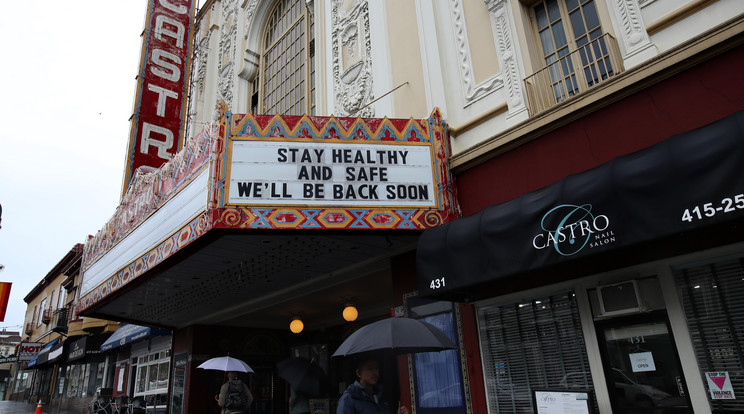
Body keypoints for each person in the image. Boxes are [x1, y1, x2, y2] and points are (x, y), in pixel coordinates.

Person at [336, 357, 408, 414]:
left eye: (376, 368)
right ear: (358, 373)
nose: (375, 373)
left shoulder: (381, 397)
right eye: (369, 369)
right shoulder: (349, 399)